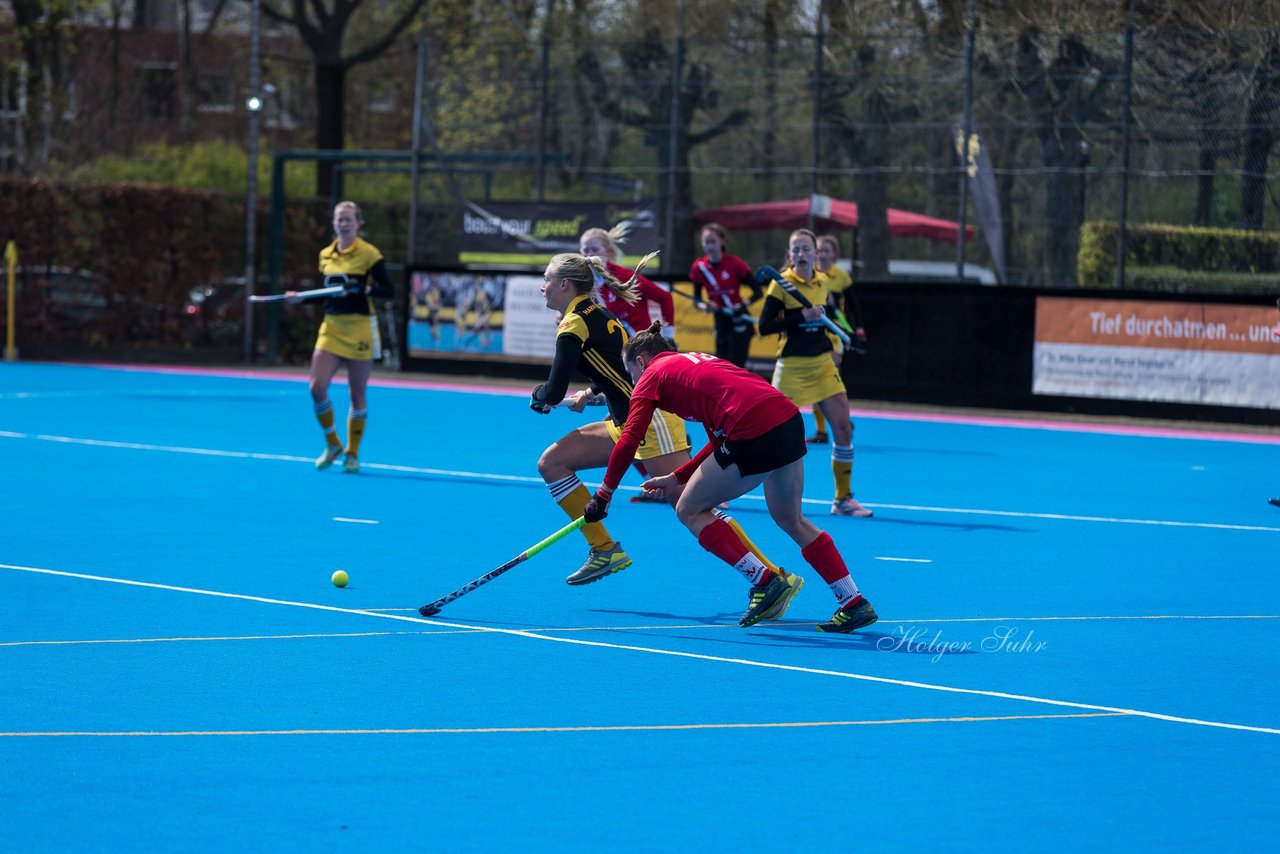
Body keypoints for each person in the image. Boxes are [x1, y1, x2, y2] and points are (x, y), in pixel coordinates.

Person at [581, 322, 878, 633]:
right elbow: (718, 440)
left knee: (688, 509)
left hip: (754, 429)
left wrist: (604, 493)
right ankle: (853, 601)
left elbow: (630, 438)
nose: (634, 383)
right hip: (787, 420)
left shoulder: (651, 376)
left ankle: (764, 580)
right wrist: (677, 476)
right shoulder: (694, 362)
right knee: (791, 519)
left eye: (631, 375)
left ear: (640, 361)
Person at [530, 251, 693, 585]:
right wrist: (591, 394)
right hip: (625, 420)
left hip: (648, 420)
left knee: (692, 507)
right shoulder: (596, 312)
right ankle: (604, 549)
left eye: (546, 279)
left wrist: (539, 396)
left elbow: (555, 390)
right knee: (552, 463)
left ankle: (767, 576)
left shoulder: (573, 324)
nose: (541, 287)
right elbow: (616, 369)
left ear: (563, 284)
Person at [756, 228, 873, 517]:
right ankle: (725, 488)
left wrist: (849, 334)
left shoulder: (823, 283)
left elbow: (832, 316)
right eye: (795, 249)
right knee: (768, 434)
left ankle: (843, 499)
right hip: (791, 367)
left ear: (815, 253)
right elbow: (765, 327)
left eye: (806, 249)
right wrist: (800, 318)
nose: (801, 254)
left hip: (822, 364)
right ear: (790, 255)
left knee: (843, 428)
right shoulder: (780, 286)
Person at [286, 200, 394, 475]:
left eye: (348, 219)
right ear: (334, 224)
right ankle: (332, 443)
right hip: (331, 329)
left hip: (359, 329)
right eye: (339, 219)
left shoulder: (370, 254)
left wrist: (362, 289)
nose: (343, 224)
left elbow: (388, 290)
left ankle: (353, 453)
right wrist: (300, 299)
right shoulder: (325, 255)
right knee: (316, 387)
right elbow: (326, 295)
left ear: (358, 223)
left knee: (356, 393)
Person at [807, 234, 868, 443]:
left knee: (830, 378)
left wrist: (857, 328)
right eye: (819, 250)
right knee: (815, 380)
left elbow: (852, 305)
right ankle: (821, 431)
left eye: (826, 250)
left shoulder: (841, 277)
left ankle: (841, 420)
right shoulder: (807, 275)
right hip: (813, 333)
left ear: (834, 254)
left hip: (834, 334)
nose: (822, 254)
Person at [579, 224, 676, 344]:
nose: (589, 254)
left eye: (595, 249)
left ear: (608, 251)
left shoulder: (624, 276)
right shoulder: (583, 282)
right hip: (612, 346)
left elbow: (665, 298)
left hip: (639, 345)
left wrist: (668, 337)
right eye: (585, 250)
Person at [687, 222, 762, 368]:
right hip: (720, 319)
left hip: (738, 317)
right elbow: (697, 300)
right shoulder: (699, 267)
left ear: (722, 241)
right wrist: (705, 307)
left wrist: (742, 305)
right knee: (722, 367)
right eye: (706, 242)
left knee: (737, 367)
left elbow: (758, 292)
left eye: (713, 241)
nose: (710, 246)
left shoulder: (735, 264)